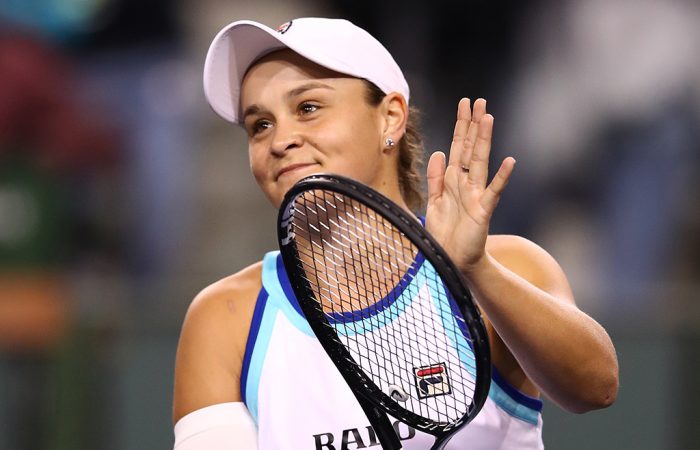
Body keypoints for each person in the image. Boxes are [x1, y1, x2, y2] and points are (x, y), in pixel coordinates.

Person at [172, 17, 619, 449]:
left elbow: (595, 388)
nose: (279, 139)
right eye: (260, 125)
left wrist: (475, 271)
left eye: (308, 108)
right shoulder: (224, 317)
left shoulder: (509, 266)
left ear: (390, 118)